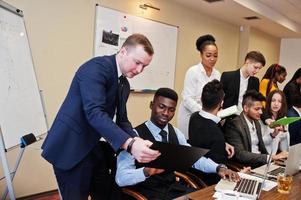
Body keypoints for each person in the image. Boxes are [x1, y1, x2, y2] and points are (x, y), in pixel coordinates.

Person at [41, 34, 160, 200]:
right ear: (123, 51)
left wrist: (136, 139)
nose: (140, 70)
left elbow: (122, 120)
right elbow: (95, 113)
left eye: (144, 66)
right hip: (71, 147)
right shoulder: (96, 68)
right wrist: (131, 145)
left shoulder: (124, 83)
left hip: (93, 147)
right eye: (137, 62)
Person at [116, 88, 240, 199]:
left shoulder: (175, 132)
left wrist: (219, 168)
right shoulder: (134, 136)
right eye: (161, 107)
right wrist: (147, 171)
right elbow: (120, 178)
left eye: (171, 110)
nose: (165, 113)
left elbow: (194, 159)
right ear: (151, 105)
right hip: (147, 193)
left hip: (173, 189)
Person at [224, 90, 288, 168]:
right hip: (248, 167)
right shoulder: (234, 124)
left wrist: (272, 161)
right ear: (246, 108)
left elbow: (262, 148)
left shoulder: (256, 122)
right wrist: (271, 157)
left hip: (262, 164)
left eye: (261, 109)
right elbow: (240, 155)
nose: (261, 112)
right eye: (257, 109)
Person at [189, 80, 235, 185]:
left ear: (201, 99)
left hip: (194, 174)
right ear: (221, 103)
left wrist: (223, 143)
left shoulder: (194, 117)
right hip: (210, 182)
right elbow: (219, 174)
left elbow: (205, 138)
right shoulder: (216, 134)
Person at [178, 34, 221, 138]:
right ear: (201, 55)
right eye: (208, 55)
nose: (212, 59)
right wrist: (204, 114)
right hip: (191, 115)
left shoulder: (217, 74)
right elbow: (187, 99)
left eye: (215, 56)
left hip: (208, 117)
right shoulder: (193, 71)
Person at [260, 90, 290, 155]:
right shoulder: (262, 118)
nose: (276, 104)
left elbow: (283, 147)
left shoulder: (284, 119)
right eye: (273, 100)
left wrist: (284, 133)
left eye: (279, 101)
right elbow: (259, 142)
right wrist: (273, 135)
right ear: (269, 102)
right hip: (262, 155)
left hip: (275, 156)